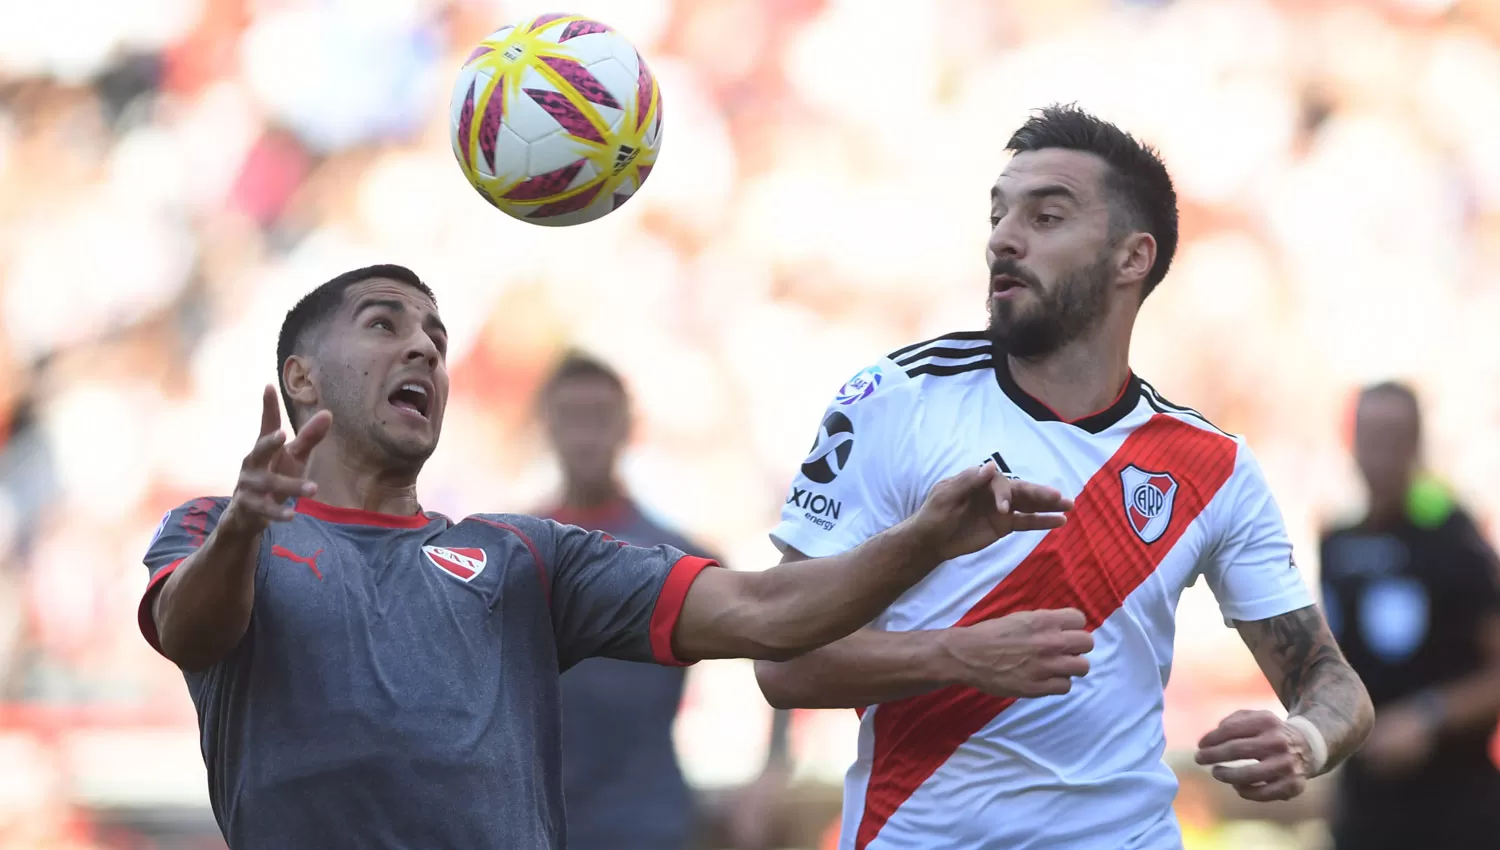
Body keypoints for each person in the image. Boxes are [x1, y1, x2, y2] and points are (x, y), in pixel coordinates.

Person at [135, 264, 1081, 850]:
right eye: (385, 324)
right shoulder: (218, 530)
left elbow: (765, 615)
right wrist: (249, 525)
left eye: (437, 336)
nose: (423, 346)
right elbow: (192, 628)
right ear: (300, 377)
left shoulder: (521, 557)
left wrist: (920, 539)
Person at [754, 104, 1376, 849]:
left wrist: (1304, 740)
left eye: (1046, 217)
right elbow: (781, 662)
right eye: (998, 214)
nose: (1003, 238)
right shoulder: (895, 400)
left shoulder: (1212, 466)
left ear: (1131, 258)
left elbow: (1332, 685)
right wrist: (957, 656)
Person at [535, 350, 791, 850]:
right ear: (547, 426)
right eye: (571, 417)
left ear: (629, 427)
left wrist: (773, 772)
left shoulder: (676, 557)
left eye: (600, 418)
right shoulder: (517, 554)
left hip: (647, 821)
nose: (586, 435)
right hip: (538, 822)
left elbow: (776, 637)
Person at [1320, 381, 1500, 850]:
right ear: (1352, 442)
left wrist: (1429, 717)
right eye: (1371, 435)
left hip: (1457, 811)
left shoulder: (1455, 540)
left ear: (1417, 445)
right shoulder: (1338, 542)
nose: (1382, 452)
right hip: (1365, 811)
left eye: (1395, 437)